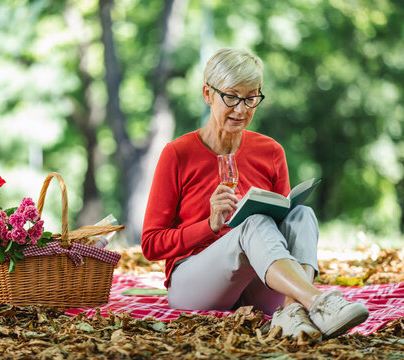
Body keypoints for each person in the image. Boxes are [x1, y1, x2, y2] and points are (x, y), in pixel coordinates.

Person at [141, 48, 368, 341]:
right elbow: (150, 245)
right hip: (194, 286)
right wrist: (208, 226)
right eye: (231, 97)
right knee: (253, 223)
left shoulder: (271, 151)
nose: (241, 109)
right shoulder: (177, 154)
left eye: (251, 98)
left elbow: (285, 228)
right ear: (208, 94)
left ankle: (292, 312)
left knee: (302, 214)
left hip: (258, 285)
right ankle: (318, 303)